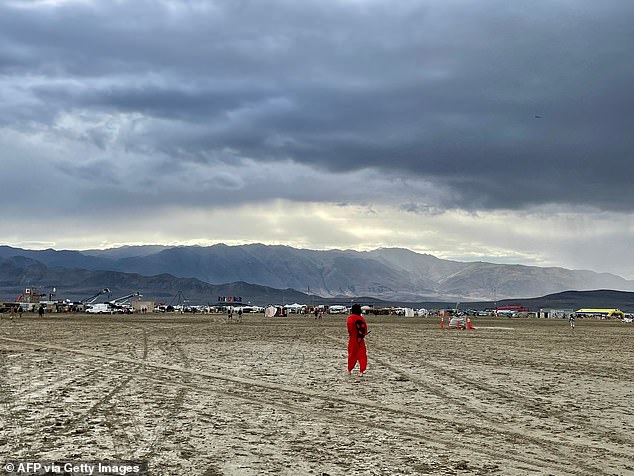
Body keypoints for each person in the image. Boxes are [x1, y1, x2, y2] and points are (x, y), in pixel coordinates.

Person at [347, 304, 368, 376]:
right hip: (360, 339)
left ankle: (350, 369)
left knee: (352, 354)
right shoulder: (361, 318)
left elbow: (349, 329)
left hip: (353, 339)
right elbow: (365, 329)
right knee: (362, 355)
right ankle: (361, 371)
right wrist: (363, 335)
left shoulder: (350, 318)